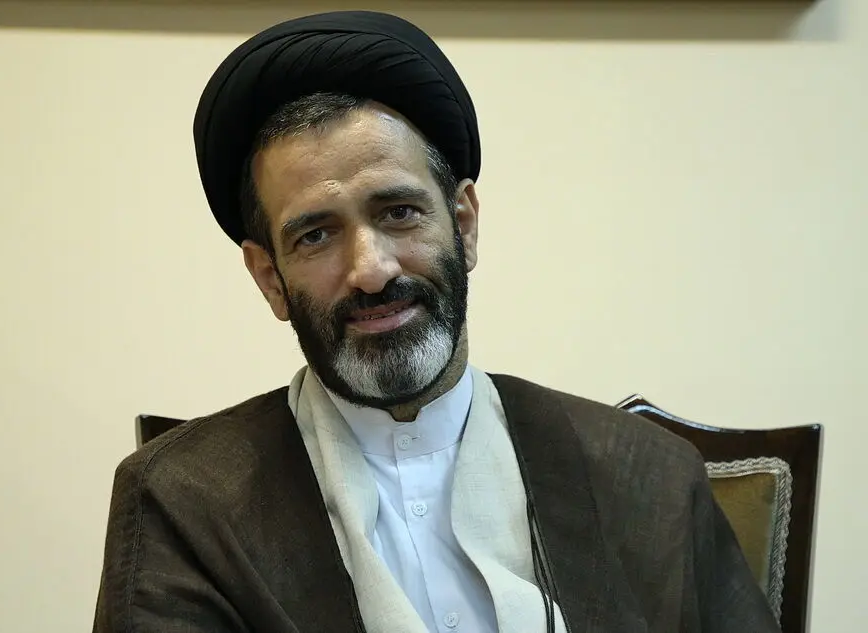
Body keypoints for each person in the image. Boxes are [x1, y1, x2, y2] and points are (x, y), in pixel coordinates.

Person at [93, 10, 779, 633]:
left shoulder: (648, 476)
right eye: (316, 235)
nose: (371, 269)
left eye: (399, 212)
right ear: (270, 277)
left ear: (464, 225)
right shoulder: (185, 502)